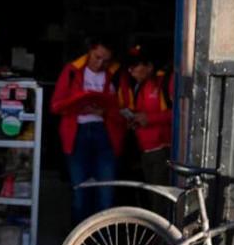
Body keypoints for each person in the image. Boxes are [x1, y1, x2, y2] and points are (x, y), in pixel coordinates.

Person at [51, 37, 125, 225]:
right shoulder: (72, 71)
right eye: (97, 57)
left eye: (105, 60)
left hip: (105, 135)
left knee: (106, 196)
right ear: (89, 51)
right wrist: (76, 104)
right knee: (80, 194)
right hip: (78, 134)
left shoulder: (117, 74)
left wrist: (105, 112)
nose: (100, 63)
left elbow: (126, 112)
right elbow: (55, 106)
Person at [117, 45, 174, 207]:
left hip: (162, 151)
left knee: (160, 202)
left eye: (135, 66)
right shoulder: (138, 86)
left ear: (149, 66)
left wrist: (149, 118)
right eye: (129, 67)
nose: (131, 71)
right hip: (145, 151)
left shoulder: (166, 82)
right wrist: (135, 120)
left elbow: (181, 114)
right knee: (151, 200)